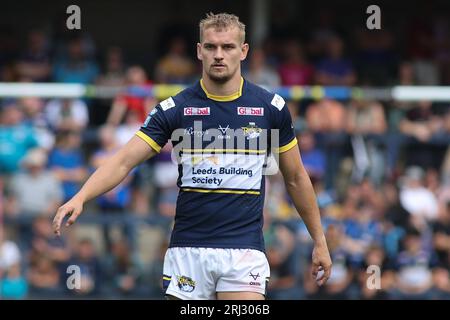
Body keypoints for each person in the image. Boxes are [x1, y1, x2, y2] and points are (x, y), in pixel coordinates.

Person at [52, 12, 332, 300]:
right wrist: (81, 196)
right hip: (188, 250)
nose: (219, 55)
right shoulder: (174, 109)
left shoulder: (270, 108)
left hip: (244, 249)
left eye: (228, 47)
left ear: (243, 51)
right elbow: (124, 160)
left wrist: (319, 240)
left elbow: (297, 178)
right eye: (210, 47)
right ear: (199, 51)